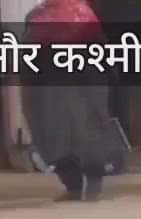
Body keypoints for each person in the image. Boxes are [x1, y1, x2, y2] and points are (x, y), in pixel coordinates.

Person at [23, 0, 115, 201]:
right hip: (76, 87)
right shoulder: (84, 15)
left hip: (64, 88)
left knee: (66, 135)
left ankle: (81, 186)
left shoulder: (37, 19)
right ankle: (85, 186)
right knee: (78, 133)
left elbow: (30, 63)